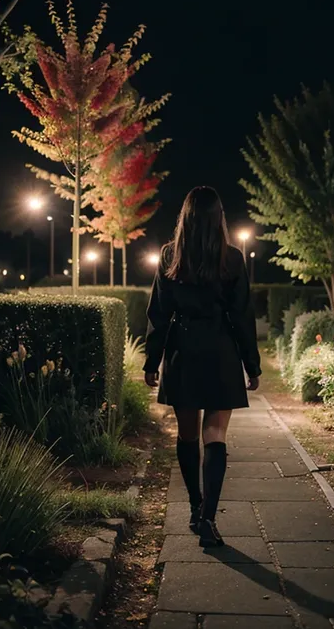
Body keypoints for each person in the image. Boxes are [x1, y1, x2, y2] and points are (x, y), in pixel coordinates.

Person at [143, 186, 261, 548]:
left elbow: (159, 315)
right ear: (218, 218)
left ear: (186, 218)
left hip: (184, 351)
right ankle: (209, 518)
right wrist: (251, 365)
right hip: (221, 352)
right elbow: (242, 317)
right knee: (216, 435)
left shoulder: (169, 257)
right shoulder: (233, 259)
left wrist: (152, 361)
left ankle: (195, 507)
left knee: (187, 435)